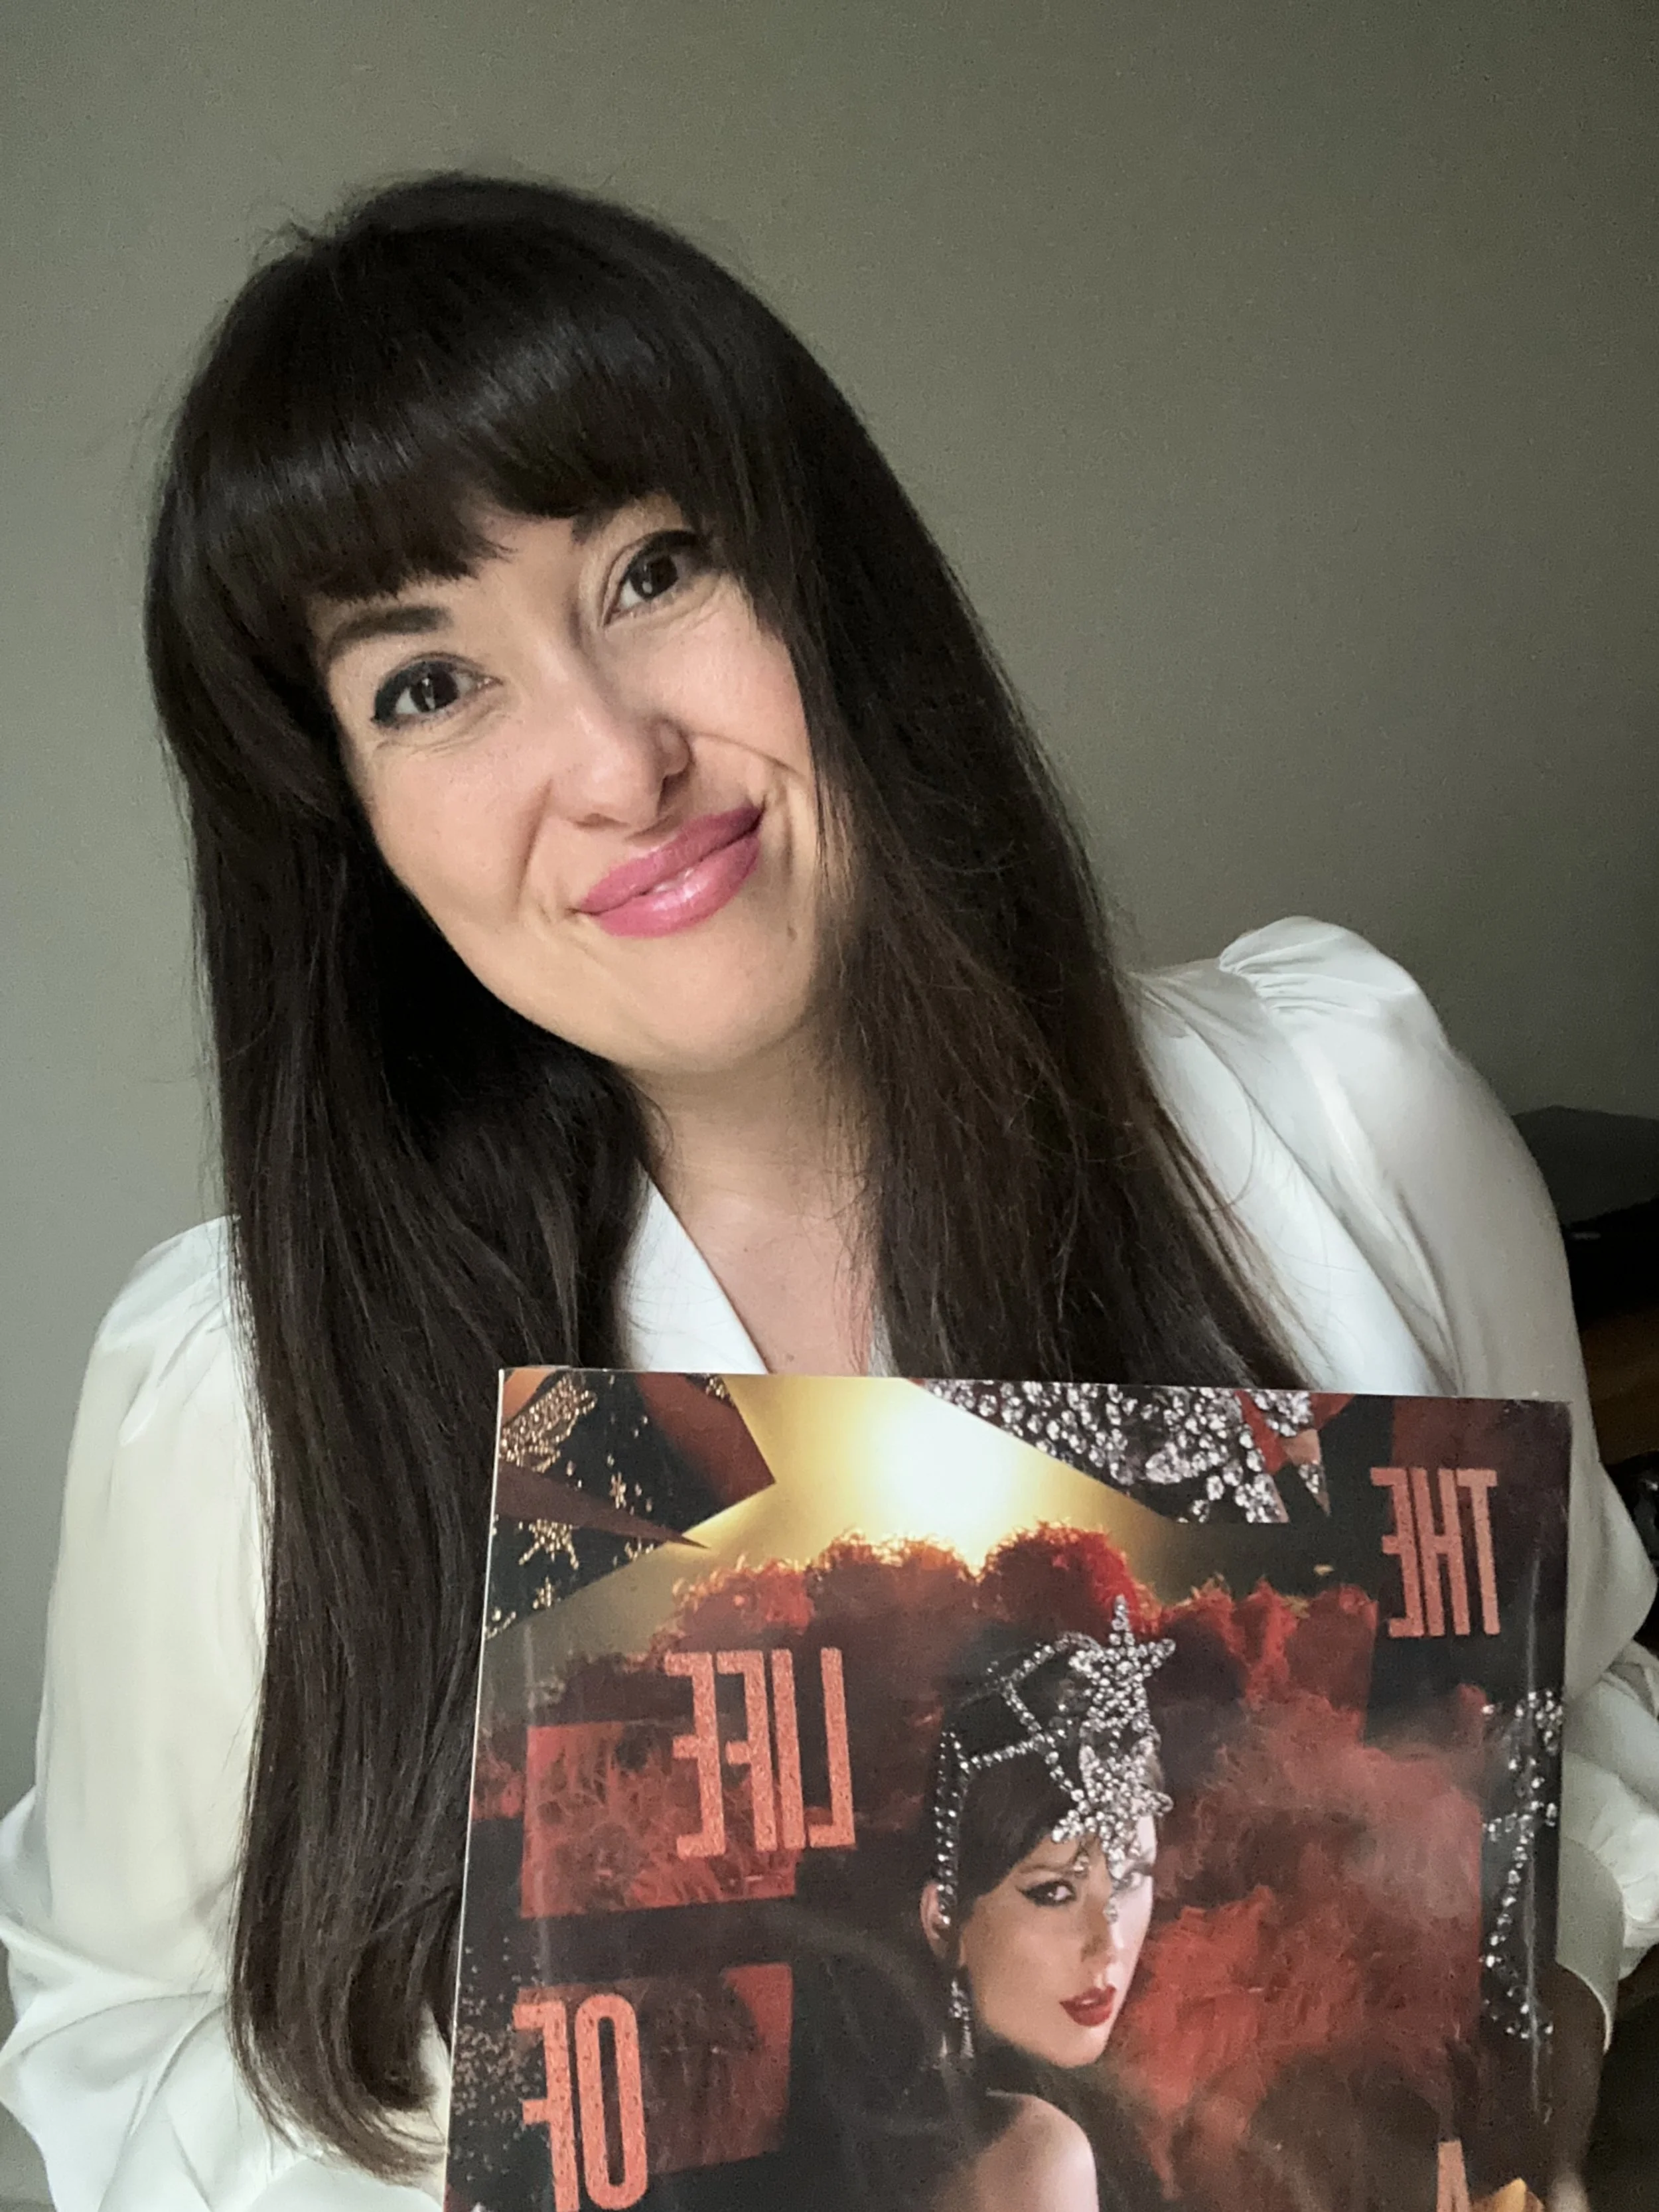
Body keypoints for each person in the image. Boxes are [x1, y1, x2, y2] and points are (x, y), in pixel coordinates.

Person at [0, 171, 1652, 2211]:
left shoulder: (1336, 1102)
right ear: (340, 824)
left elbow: (1582, 1710)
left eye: (655, 567)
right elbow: (100, 2048)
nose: (615, 759)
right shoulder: (232, 1394)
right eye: (426, 681)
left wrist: (1535, 2029)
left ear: (829, 576)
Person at [916, 1615, 1175, 2212]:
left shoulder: (962, 2131)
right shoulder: (1036, 2158)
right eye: (1055, 1892)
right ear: (944, 1919)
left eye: (1133, 1878)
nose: (1107, 1943)